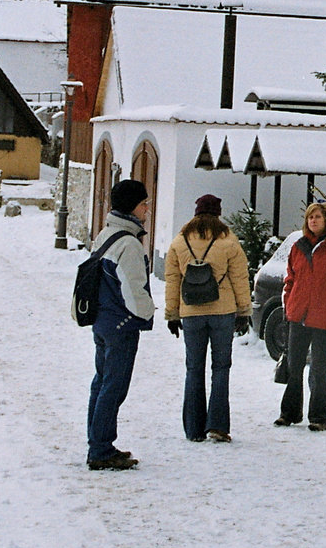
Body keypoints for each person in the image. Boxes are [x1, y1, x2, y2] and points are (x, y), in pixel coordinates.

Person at [164, 194, 252, 443]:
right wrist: (243, 311)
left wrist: (172, 314)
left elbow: (172, 280)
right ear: (218, 214)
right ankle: (217, 426)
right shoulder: (229, 241)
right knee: (221, 368)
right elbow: (240, 278)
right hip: (222, 311)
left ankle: (193, 429)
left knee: (193, 368)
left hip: (191, 312)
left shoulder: (180, 242)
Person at [86, 179, 155, 471]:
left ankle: (99, 443)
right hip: (121, 325)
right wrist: (148, 312)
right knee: (113, 387)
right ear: (131, 207)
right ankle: (101, 450)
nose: (147, 210)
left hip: (103, 321)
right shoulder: (128, 243)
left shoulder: (106, 234)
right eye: (143, 204)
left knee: (101, 383)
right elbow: (133, 289)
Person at [277, 201, 326, 432]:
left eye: (318, 217)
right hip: (298, 315)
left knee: (320, 367)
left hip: (325, 318)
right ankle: (289, 413)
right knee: (295, 365)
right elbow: (289, 280)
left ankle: (320, 417)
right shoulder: (297, 247)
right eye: (310, 217)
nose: (313, 221)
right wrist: (288, 308)